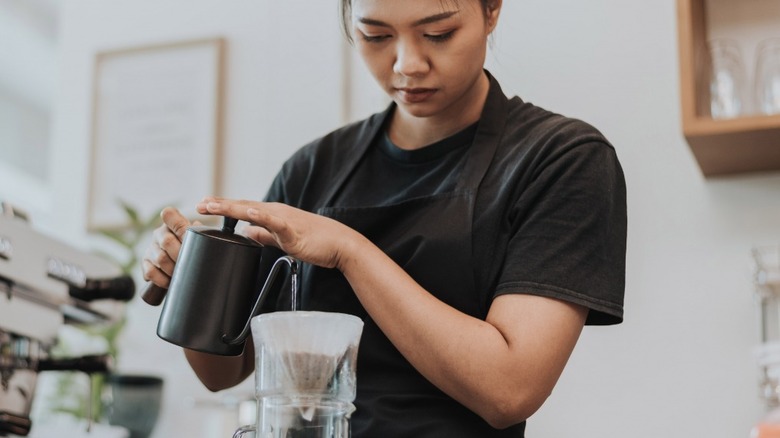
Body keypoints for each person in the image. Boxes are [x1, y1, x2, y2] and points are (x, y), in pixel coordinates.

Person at [142, 0, 627, 436]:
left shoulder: (560, 160)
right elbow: (225, 370)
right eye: (376, 36)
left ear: (492, 10)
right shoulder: (313, 169)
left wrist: (349, 252)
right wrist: (195, 282)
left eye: (438, 34)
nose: (406, 65)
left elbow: (509, 391)